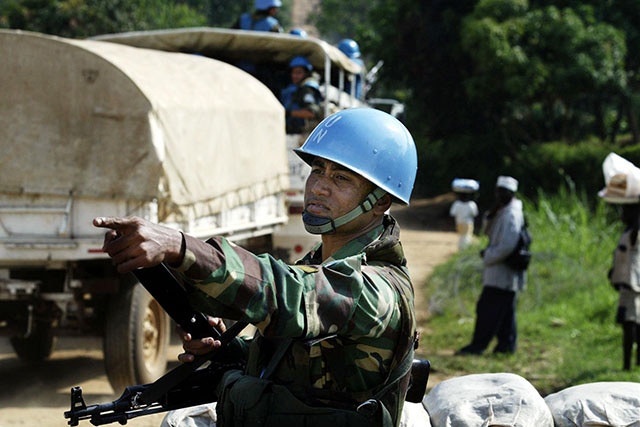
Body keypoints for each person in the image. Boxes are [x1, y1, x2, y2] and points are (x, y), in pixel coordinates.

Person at [93, 108, 419, 427]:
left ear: (380, 202)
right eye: (318, 169)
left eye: (341, 177)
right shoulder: (323, 263)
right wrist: (231, 349)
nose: (319, 186)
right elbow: (305, 360)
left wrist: (181, 247)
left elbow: (285, 291)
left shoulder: (375, 288)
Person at [457, 176, 526, 355]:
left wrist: (488, 255)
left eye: (505, 193)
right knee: (505, 313)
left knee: (487, 310)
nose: (501, 195)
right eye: (499, 192)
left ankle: (478, 346)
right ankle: (506, 346)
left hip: (502, 272)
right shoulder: (503, 210)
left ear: (511, 194)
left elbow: (507, 245)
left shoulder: (511, 214)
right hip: (499, 271)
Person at [608, 202, 640, 370]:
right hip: (627, 284)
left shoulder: (635, 233)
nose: (622, 215)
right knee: (633, 324)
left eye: (625, 211)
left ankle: (627, 365)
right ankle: (633, 362)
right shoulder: (628, 232)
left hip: (632, 286)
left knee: (629, 325)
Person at [280, 56, 323, 135]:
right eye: (293, 72)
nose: (295, 76)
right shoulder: (294, 88)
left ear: (306, 73)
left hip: (301, 134)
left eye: (299, 73)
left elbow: (311, 113)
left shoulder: (307, 89)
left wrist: (288, 113)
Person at [449, 178, 479, 250]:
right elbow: (475, 214)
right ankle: (464, 250)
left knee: (461, 237)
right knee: (467, 237)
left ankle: (462, 250)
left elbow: (452, 213)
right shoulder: (472, 204)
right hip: (468, 223)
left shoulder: (457, 204)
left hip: (459, 222)